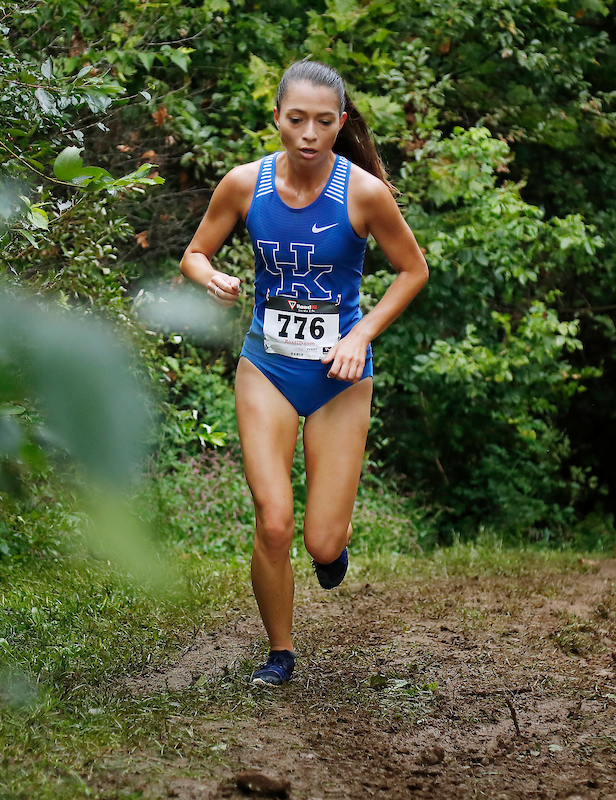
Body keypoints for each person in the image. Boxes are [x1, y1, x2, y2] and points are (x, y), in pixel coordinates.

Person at [180, 60, 429, 685]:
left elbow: (413, 270)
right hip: (266, 366)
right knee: (273, 521)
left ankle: (333, 543)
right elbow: (195, 253)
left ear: (340, 123)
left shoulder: (363, 193)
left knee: (320, 542)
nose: (309, 133)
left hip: (339, 378)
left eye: (323, 121)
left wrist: (360, 335)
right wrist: (212, 278)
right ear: (277, 119)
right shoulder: (244, 184)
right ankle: (280, 652)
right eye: (297, 119)